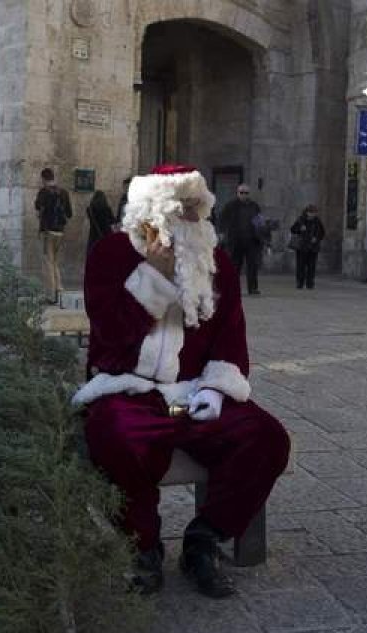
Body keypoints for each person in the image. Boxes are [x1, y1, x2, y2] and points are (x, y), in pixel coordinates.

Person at [74, 164, 290, 599]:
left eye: (198, 208)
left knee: (266, 438)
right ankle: (143, 548)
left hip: (192, 394)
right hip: (128, 390)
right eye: (183, 209)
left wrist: (214, 388)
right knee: (117, 438)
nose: (194, 220)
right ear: (154, 214)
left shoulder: (217, 263)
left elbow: (230, 335)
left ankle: (205, 539)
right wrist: (151, 277)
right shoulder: (111, 255)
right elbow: (111, 341)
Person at [34, 168, 73, 304]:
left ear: (43, 179)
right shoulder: (64, 192)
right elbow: (69, 213)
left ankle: (50, 294)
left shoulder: (44, 192)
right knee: (55, 261)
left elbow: (38, 206)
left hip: (48, 231)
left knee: (48, 262)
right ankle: (59, 288)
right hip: (60, 232)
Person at [217, 184, 264, 295]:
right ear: (237, 193)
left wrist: (261, 232)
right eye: (241, 192)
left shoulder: (254, 206)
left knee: (252, 266)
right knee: (234, 266)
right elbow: (221, 219)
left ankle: (253, 288)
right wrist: (222, 233)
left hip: (251, 240)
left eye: (246, 193)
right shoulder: (230, 205)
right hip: (235, 240)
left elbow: (259, 221)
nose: (244, 195)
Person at [289, 204, 325, 289]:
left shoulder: (317, 221)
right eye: (310, 212)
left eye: (314, 213)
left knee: (311, 266)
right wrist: (299, 229)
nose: (312, 214)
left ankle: (310, 283)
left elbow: (322, 232)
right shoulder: (301, 220)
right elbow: (293, 229)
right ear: (307, 212)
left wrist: (316, 238)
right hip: (302, 246)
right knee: (300, 266)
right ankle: (300, 283)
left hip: (313, 247)